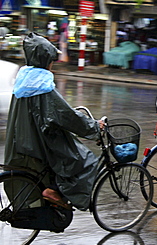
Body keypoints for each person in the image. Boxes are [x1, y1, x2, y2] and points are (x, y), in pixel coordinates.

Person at [4, 32, 104, 211]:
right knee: (85, 160)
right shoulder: (41, 83)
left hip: (23, 140)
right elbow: (64, 115)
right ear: (45, 59)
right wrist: (94, 127)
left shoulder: (24, 78)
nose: (52, 64)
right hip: (41, 142)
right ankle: (54, 191)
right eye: (51, 59)